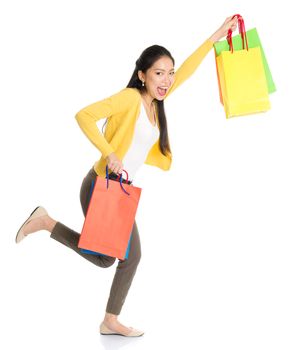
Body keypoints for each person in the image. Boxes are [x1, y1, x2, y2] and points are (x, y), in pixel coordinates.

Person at [15, 16, 238, 337]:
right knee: (131, 256)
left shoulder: (155, 101)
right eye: (159, 73)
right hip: (99, 186)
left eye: (169, 73)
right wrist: (110, 153)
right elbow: (84, 115)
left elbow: (188, 68)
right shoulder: (131, 98)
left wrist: (218, 34)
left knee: (111, 259)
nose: (167, 79)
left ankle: (48, 224)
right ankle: (109, 318)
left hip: (118, 189)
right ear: (142, 75)